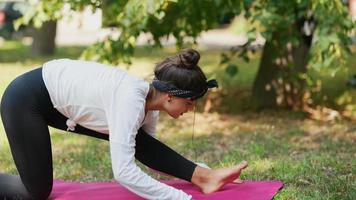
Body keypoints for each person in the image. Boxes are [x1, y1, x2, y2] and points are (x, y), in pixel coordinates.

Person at [0, 49, 248, 200]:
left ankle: (204, 177)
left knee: (140, 142)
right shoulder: (130, 101)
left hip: (55, 99)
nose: (192, 108)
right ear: (170, 96)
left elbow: (148, 153)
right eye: (191, 102)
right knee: (36, 192)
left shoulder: (148, 103)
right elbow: (123, 172)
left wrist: (203, 173)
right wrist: (179, 198)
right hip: (26, 100)